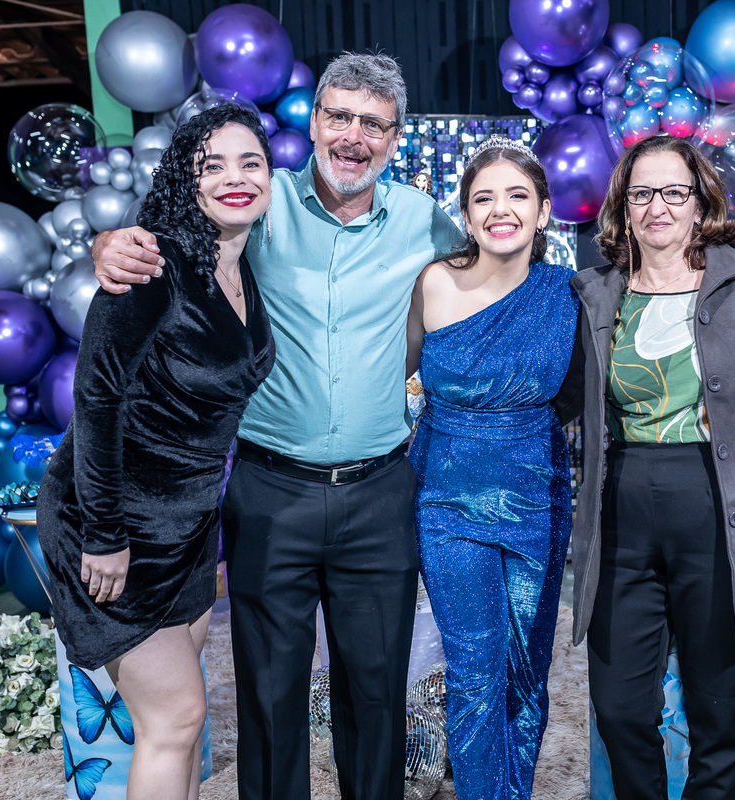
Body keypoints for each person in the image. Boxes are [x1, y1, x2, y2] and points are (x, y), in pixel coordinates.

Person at [90, 53, 464, 800]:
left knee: (377, 695)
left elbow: (489, 272)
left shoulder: (424, 221)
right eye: (339, 116)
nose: (354, 136)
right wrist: (111, 241)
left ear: (395, 138)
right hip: (269, 490)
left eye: (374, 124)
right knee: (269, 698)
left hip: (380, 492)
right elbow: (171, 232)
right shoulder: (260, 201)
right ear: (314, 123)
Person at [37, 104, 276, 800]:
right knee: (176, 717)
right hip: (112, 521)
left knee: (175, 729)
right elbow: (97, 399)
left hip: (188, 527)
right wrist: (105, 534)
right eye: (212, 165)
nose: (234, 178)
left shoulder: (240, 267)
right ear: (184, 181)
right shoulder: (151, 262)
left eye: (250, 162)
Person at [560, 134, 735, 800]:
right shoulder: (593, 293)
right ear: (622, 207)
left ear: (700, 202)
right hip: (621, 511)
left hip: (723, 508)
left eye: (673, 192)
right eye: (641, 193)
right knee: (619, 708)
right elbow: (562, 395)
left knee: (721, 714)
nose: (656, 207)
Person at [405, 137, 578, 800]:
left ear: (543, 211)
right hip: (446, 498)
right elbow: (389, 378)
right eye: (484, 198)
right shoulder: (433, 283)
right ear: (467, 214)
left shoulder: (569, 293)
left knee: (527, 674)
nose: (500, 209)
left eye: (517, 195)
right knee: (476, 673)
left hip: (537, 493)